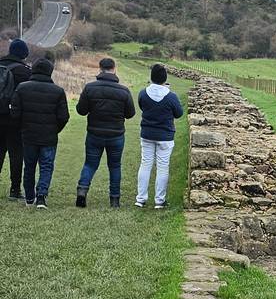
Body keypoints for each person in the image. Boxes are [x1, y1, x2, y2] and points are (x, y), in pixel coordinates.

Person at [75, 57, 135, 208]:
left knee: (90, 164)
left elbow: (81, 111)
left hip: (94, 133)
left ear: (100, 69)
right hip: (116, 135)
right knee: (114, 166)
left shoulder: (90, 88)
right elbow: (130, 114)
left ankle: (82, 190)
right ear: (114, 69)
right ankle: (114, 199)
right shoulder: (124, 91)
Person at [10, 56, 70, 208]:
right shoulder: (58, 91)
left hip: (28, 135)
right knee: (46, 166)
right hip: (49, 136)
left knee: (29, 166)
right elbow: (63, 116)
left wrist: (22, 128)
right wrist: (55, 130)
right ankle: (41, 196)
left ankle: (29, 198)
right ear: (50, 72)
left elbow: (15, 113)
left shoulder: (22, 88)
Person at [135, 64, 184, 209]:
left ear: (151, 77)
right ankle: (159, 200)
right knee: (162, 167)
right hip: (165, 136)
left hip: (147, 134)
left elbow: (142, 106)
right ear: (165, 78)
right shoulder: (171, 96)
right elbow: (179, 113)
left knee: (145, 164)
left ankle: (141, 198)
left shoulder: (143, 93)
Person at [0, 38, 32, 200]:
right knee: (16, 154)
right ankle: (14, 190)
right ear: (23, 53)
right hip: (14, 119)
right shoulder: (24, 71)